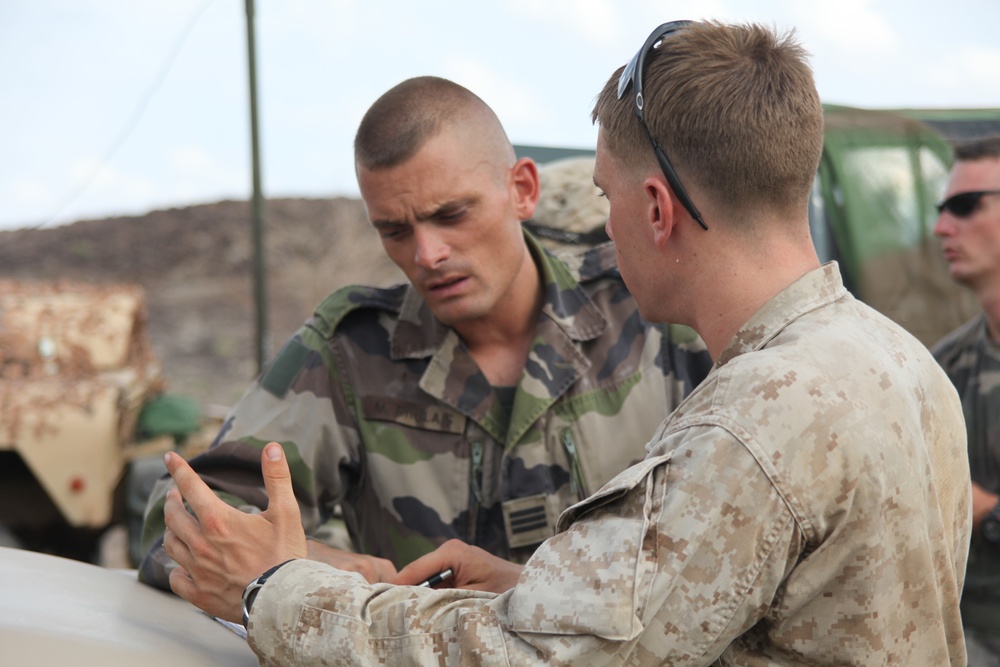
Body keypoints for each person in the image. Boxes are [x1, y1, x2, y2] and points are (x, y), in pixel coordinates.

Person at [159, 20, 972, 665]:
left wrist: (274, 591)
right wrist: (525, 588)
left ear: (655, 208)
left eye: (604, 195)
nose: (427, 252)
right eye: (396, 229)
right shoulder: (901, 360)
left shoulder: (749, 423)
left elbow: (537, 657)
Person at [138, 75, 712, 590]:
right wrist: (308, 565)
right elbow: (184, 521)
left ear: (522, 190)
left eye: (451, 215)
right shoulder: (351, 353)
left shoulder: (644, 310)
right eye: (393, 230)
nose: (427, 254)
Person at [931, 136, 1000, 665]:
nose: (941, 228)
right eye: (940, 209)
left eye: (963, 206)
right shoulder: (942, 370)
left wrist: (985, 511)